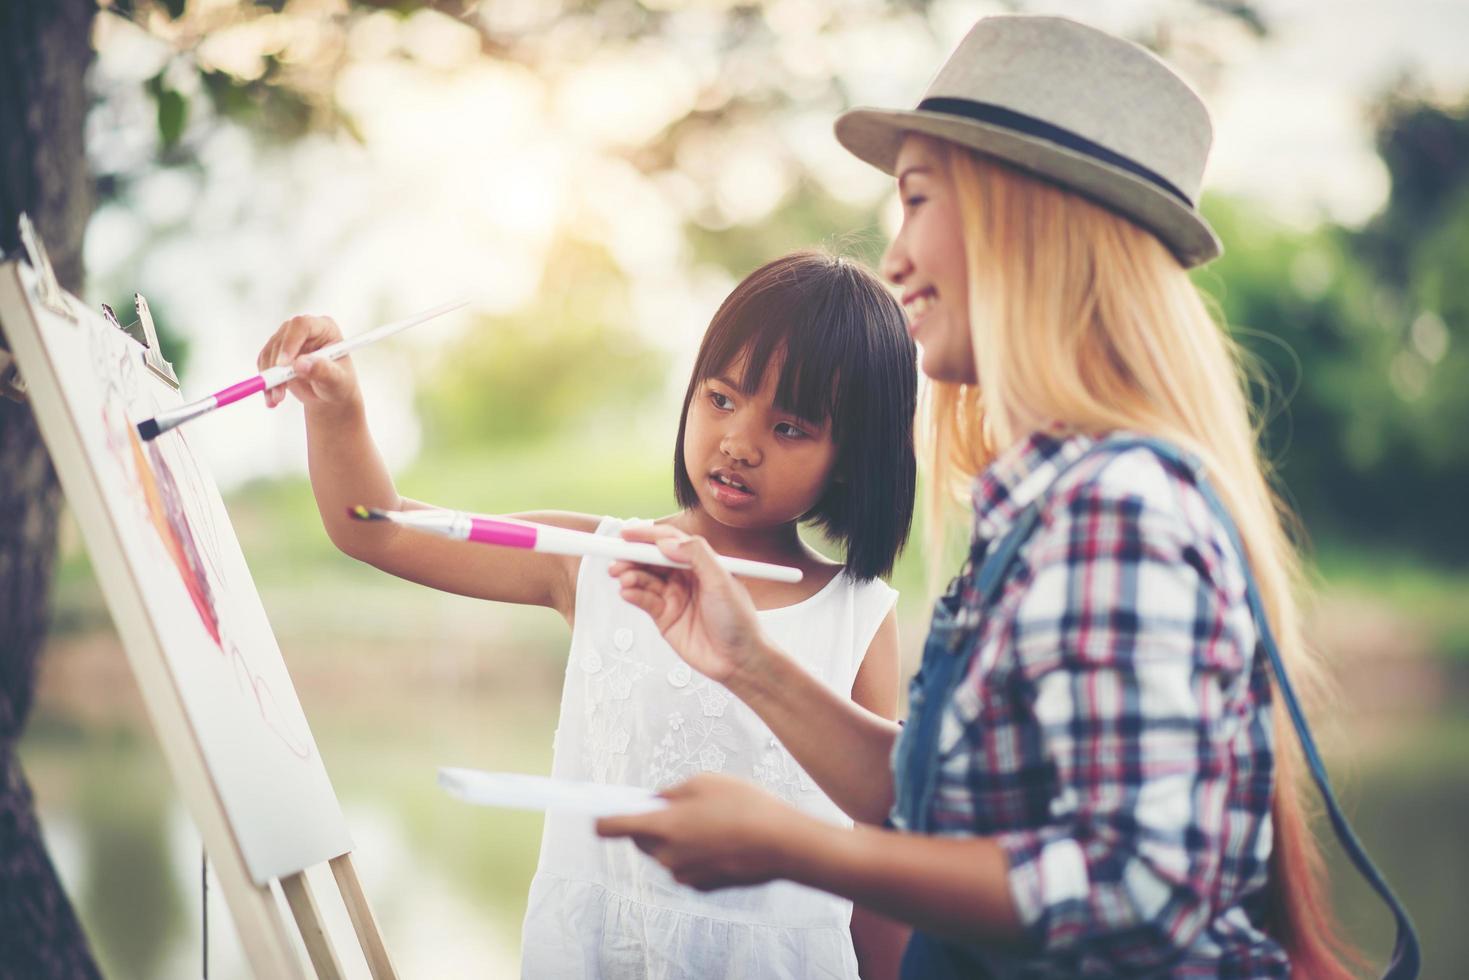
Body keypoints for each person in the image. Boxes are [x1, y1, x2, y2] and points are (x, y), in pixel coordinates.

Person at [597, 15, 1416, 979]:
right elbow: (941, 804)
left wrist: (795, 846)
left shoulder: (1114, 505)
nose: (893, 258)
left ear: (1024, 216)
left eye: (915, 200)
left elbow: (1137, 891)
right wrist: (750, 664)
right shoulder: (1038, 505)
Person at [255, 250, 919, 978]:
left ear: (851, 456)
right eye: (721, 399)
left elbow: (881, 860)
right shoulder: (592, 559)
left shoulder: (859, 615)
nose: (738, 442)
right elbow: (371, 527)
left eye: (789, 427)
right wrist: (338, 408)